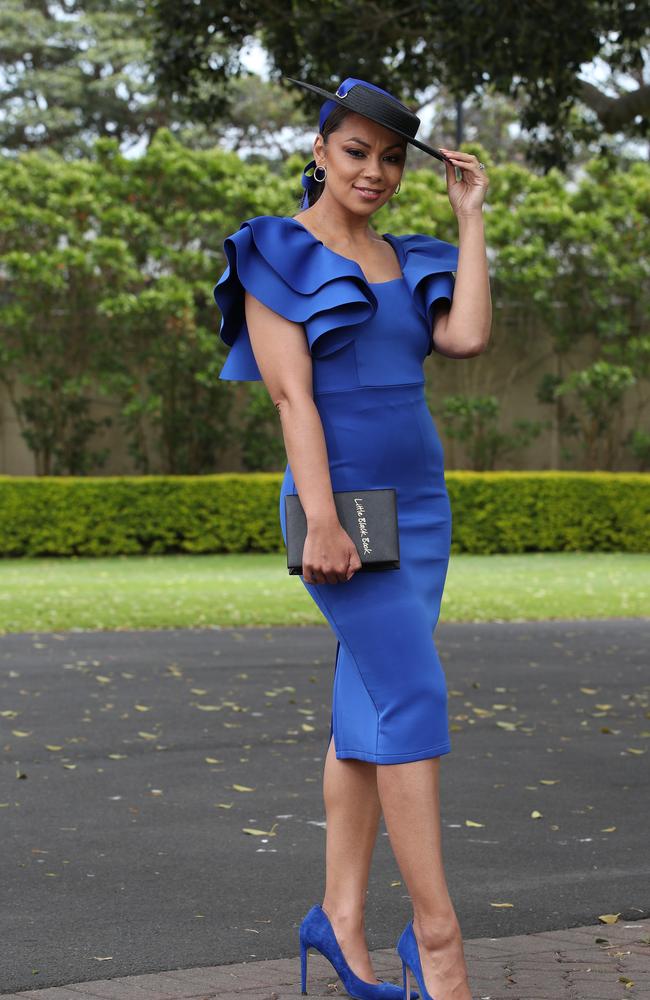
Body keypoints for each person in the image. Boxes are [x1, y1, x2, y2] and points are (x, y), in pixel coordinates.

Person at [213, 76, 491, 1000]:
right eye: (356, 152)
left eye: (390, 159)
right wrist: (323, 519)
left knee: (369, 709)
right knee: (411, 697)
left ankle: (336, 918)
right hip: (341, 507)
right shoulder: (276, 252)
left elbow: (467, 339)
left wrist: (470, 219)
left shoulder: (409, 255)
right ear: (322, 149)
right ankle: (439, 942)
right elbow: (293, 397)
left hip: (420, 505)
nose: (373, 171)